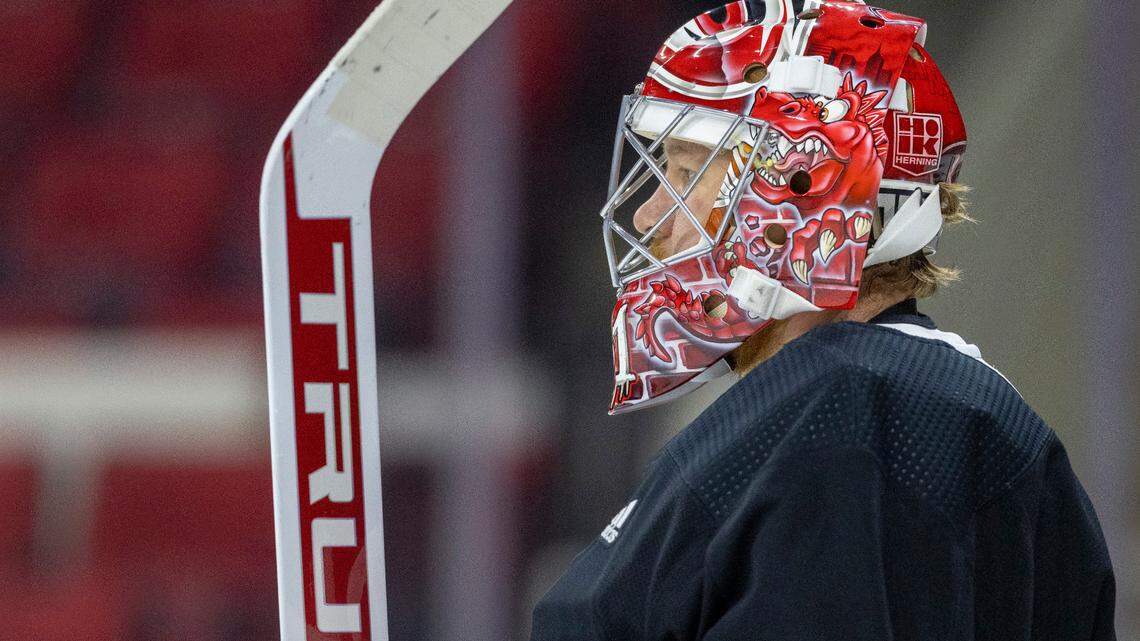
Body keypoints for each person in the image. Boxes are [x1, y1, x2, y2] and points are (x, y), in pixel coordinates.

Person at [531, 1, 1117, 640]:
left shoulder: (856, 414)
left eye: (683, 169)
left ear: (805, 185)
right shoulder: (876, 406)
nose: (647, 218)